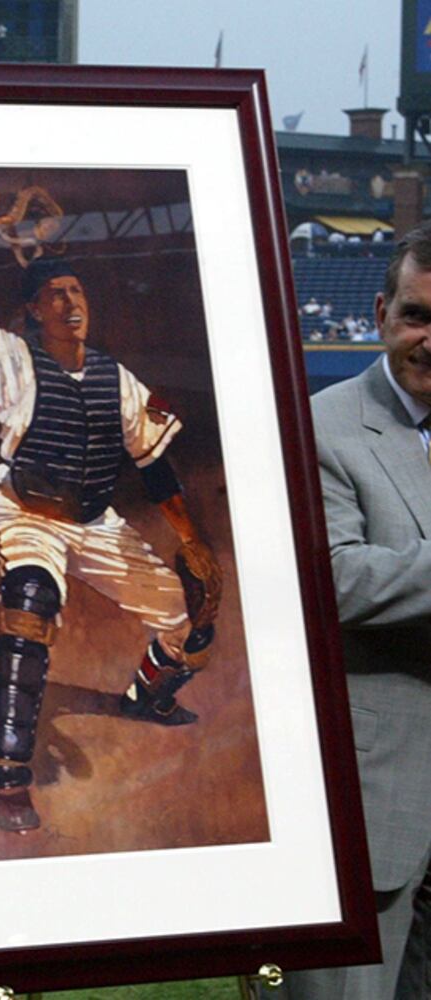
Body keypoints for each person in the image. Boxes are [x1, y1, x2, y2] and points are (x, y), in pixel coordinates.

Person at [0, 200, 222, 834]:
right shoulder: (10, 358)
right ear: (34, 309)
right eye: (55, 294)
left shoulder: (117, 378)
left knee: (191, 620)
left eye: (76, 291)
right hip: (28, 514)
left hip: (94, 520)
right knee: (30, 604)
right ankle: (8, 772)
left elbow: (155, 466)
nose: (69, 302)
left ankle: (146, 699)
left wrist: (191, 540)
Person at [279, 224, 431, 1000]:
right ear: (379, 314)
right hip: (374, 801)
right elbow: (331, 578)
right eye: (416, 316)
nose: (429, 340)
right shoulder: (318, 425)